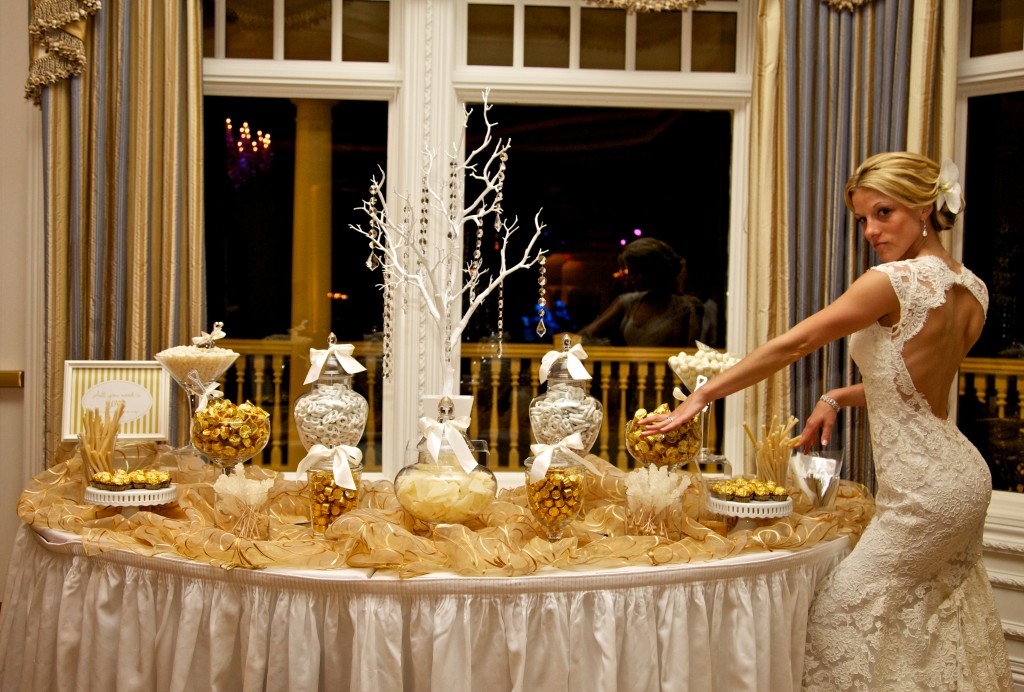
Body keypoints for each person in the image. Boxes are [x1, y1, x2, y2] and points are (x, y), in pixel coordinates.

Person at [641, 152, 1012, 690]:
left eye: (884, 213)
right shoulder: (971, 286)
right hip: (962, 476)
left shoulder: (894, 280)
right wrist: (836, 396)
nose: (870, 231)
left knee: (837, 621)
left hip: (925, 494)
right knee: (928, 628)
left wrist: (703, 396)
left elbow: (798, 341)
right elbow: (911, 389)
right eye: (863, 219)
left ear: (926, 206)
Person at [578, 237, 702, 347]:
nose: (630, 276)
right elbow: (584, 335)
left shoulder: (688, 307)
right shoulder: (628, 301)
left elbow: (692, 354)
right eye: (631, 271)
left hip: (666, 373)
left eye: (636, 271)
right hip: (630, 372)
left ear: (653, 271)